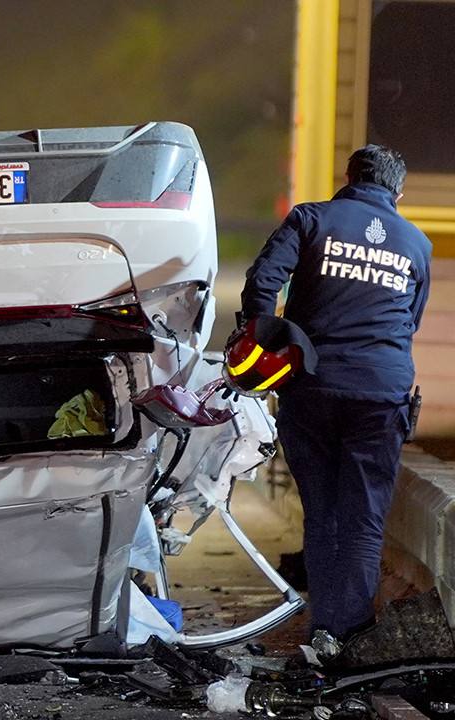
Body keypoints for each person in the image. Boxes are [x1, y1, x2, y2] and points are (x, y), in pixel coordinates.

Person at [240, 144, 431, 646]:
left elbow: (263, 282)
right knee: (363, 524)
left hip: (312, 387)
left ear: (349, 178)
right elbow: (411, 318)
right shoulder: (416, 244)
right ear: (398, 193)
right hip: (381, 394)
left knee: (322, 519)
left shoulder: (311, 219)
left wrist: (263, 340)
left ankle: (324, 629)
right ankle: (349, 640)